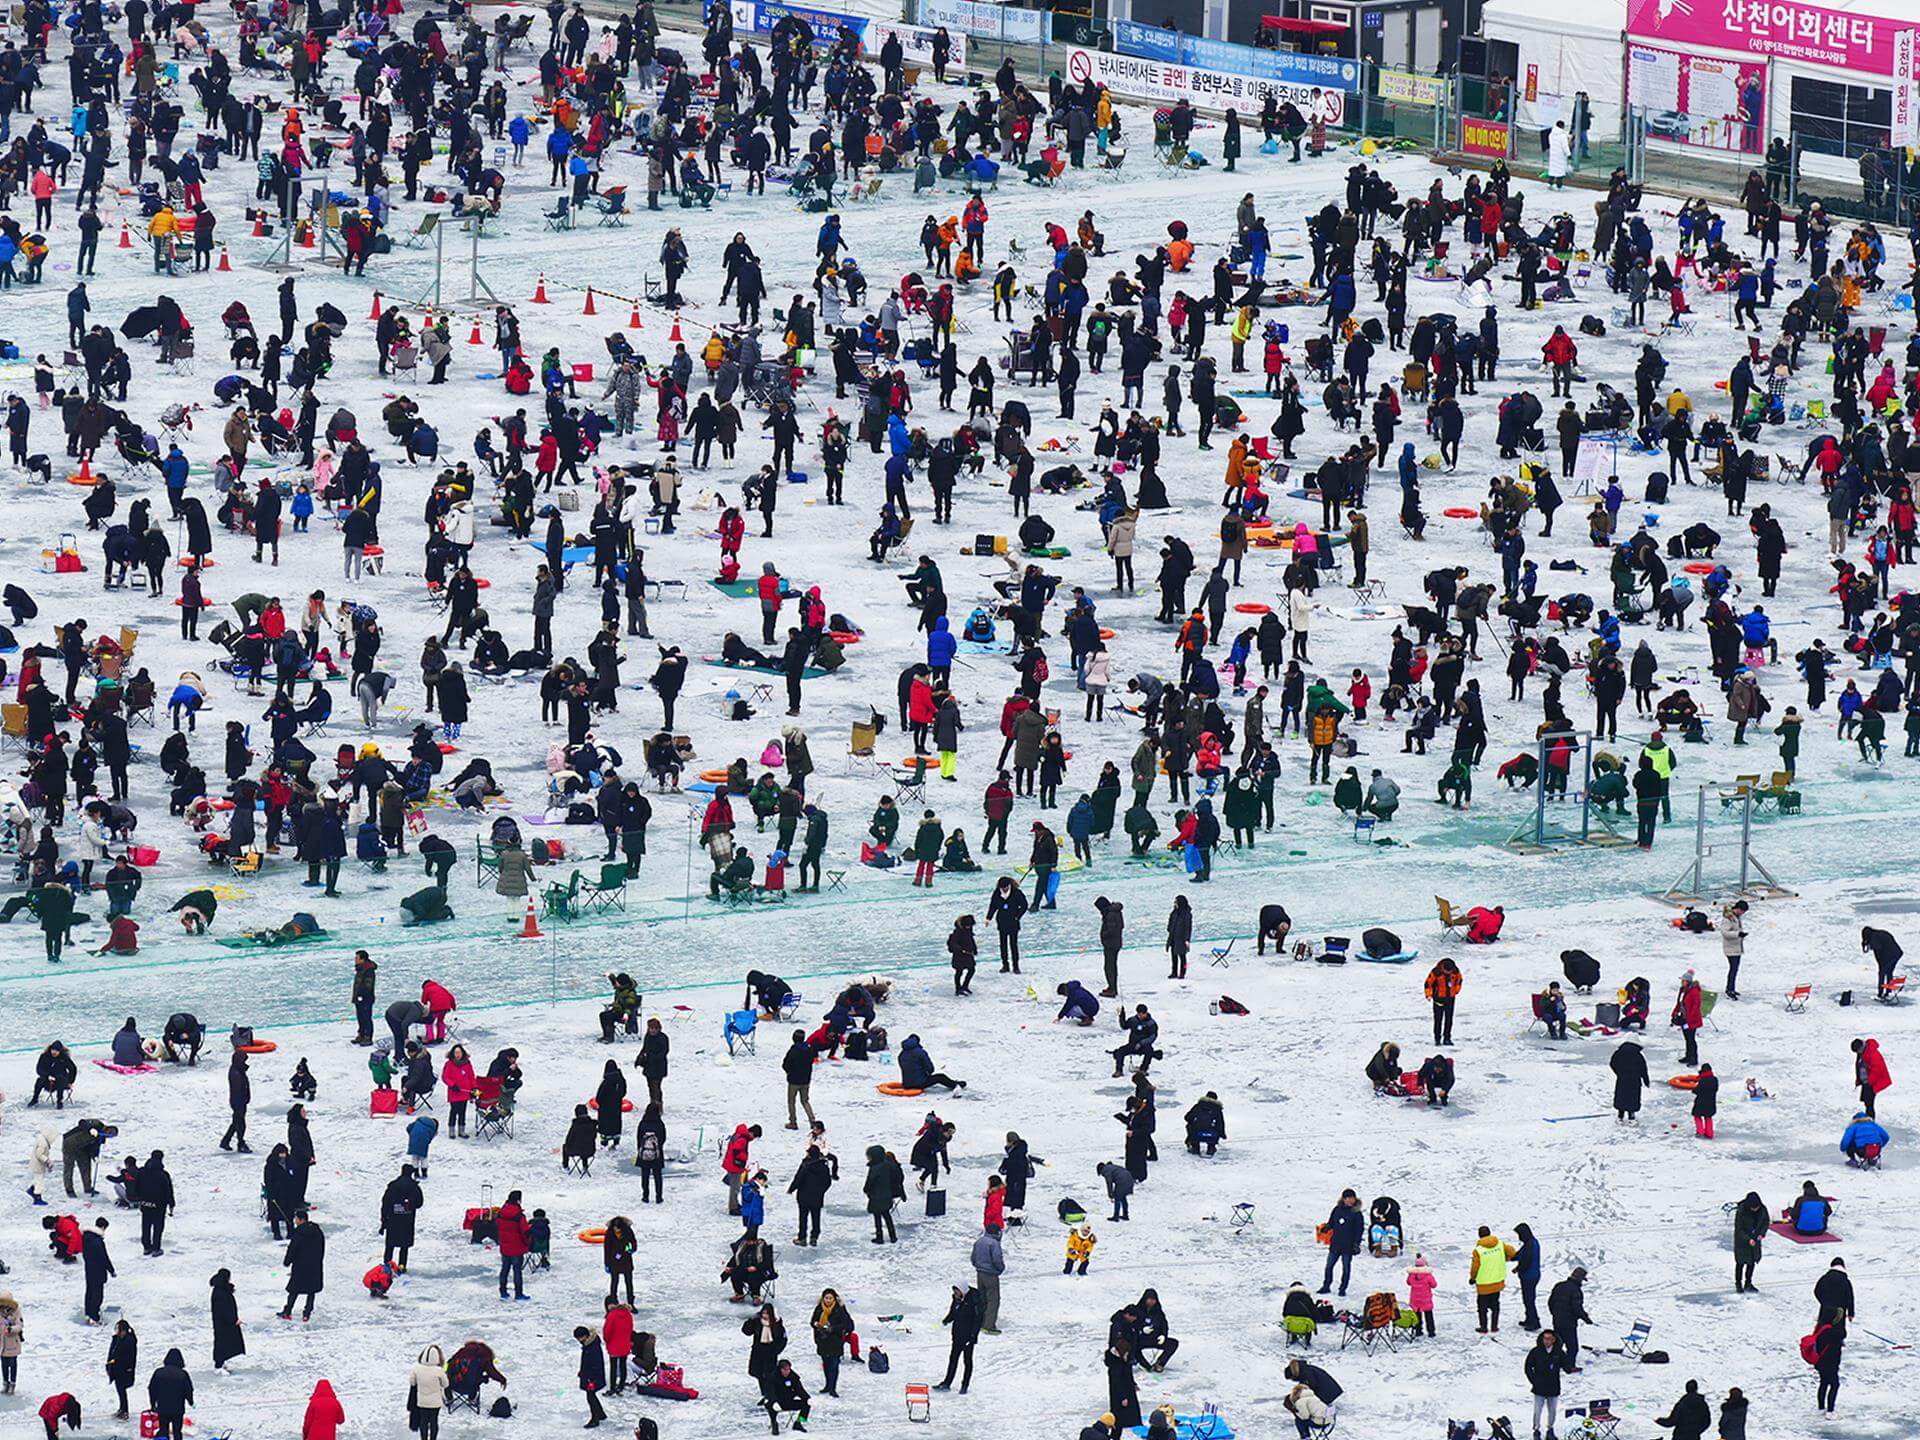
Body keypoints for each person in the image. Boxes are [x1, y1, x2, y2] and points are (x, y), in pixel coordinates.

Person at [935, 1284, 981, 1393]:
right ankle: (947, 1382)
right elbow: (953, 1313)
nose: (955, 1295)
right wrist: (946, 1320)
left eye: (957, 1292)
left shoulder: (973, 1301)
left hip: (968, 1338)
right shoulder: (956, 1300)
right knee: (953, 1359)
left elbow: (977, 1321)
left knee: (967, 1361)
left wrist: (972, 1337)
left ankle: (964, 1385)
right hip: (957, 1336)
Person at [1525, 1329, 1568, 1439]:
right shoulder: (1536, 1351)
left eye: (1549, 1339)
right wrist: (1534, 1381)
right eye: (1545, 1338)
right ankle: (1536, 1430)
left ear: (1554, 1340)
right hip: (1539, 1386)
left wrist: (1569, 1367)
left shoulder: (1558, 1352)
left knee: (1552, 1410)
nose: (1546, 1341)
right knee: (1537, 1410)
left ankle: (1550, 1429)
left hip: (1553, 1386)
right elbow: (1528, 1367)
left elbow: (1566, 1365)